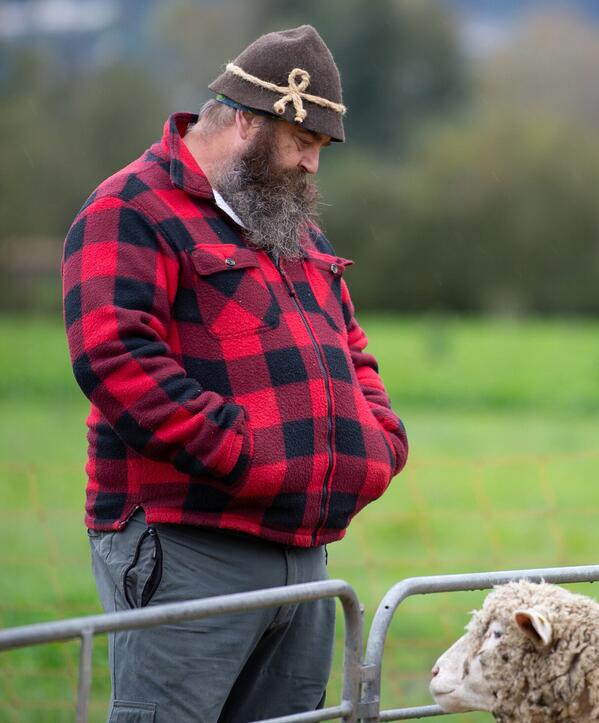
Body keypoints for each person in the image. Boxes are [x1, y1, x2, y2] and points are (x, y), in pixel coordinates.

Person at [61, 25, 408, 722]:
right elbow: (115, 358)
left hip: (304, 552)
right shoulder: (130, 209)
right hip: (188, 544)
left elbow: (353, 348)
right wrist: (246, 454)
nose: (314, 166)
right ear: (247, 119)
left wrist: (377, 442)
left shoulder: (292, 226)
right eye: (303, 143)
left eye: (321, 150)